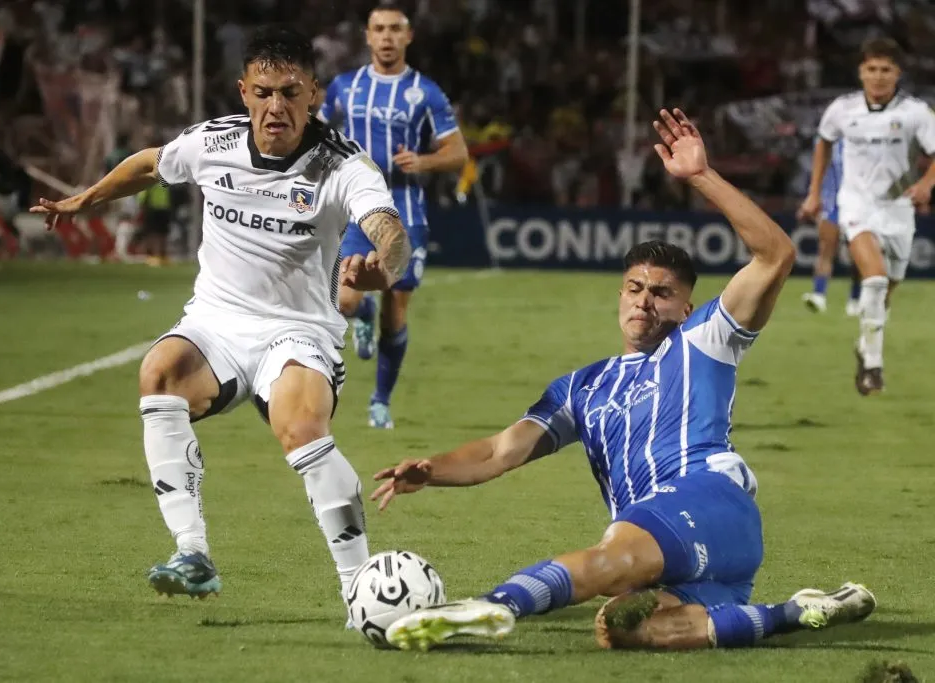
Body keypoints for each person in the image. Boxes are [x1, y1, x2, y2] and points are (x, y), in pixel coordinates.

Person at [371, 109, 876, 652]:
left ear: (686, 308)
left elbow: (776, 254)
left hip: (708, 500)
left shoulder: (704, 340)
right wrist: (433, 469)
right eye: (635, 288)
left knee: (612, 557)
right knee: (622, 627)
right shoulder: (582, 388)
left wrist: (702, 177)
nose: (644, 301)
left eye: (662, 293)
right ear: (620, 296)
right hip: (684, 553)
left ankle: (491, 606)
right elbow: (499, 452)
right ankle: (794, 612)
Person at [30, 25, 410, 617]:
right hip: (216, 322)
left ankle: (358, 584)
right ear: (243, 92)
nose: (276, 106)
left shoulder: (342, 165)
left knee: (301, 429)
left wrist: (384, 270)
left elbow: (390, 231)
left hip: (298, 330)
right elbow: (150, 165)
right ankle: (192, 553)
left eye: (291, 93)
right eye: (263, 92)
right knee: (158, 372)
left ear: (314, 94)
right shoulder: (213, 143)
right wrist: (86, 199)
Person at [318, 4, 468, 429]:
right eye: (379, 29)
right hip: (356, 211)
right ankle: (361, 313)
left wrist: (423, 161)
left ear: (408, 36)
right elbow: (316, 133)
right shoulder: (345, 87)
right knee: (346, 299)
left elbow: (458, 153)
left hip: (406, 215)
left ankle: (380, 401)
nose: (386, 37)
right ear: (367, 36)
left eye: (394, 29)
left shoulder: (426, 92)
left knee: (396, 312)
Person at [799, 37, 935, 395]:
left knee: (887, 290)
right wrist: (814, 192)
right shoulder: (842, 109)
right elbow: (824, 142)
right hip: (856, 205)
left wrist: (926, 184)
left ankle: (865, 345)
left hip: (899, 209)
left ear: (897, 73)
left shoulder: (916, 113)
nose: (878, 76)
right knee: (873, 279)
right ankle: (873, 366)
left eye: (885, 69)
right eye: (871, 69)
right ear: (861, 72)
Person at [800, 138, 863, 316]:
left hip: (856, 204)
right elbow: (818, 169)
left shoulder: (861, 137)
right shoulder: (827, 139)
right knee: (825, 249)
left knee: (857, 254)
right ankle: (818, 295)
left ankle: (855, 298)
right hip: (831, 203)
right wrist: (814, 196)